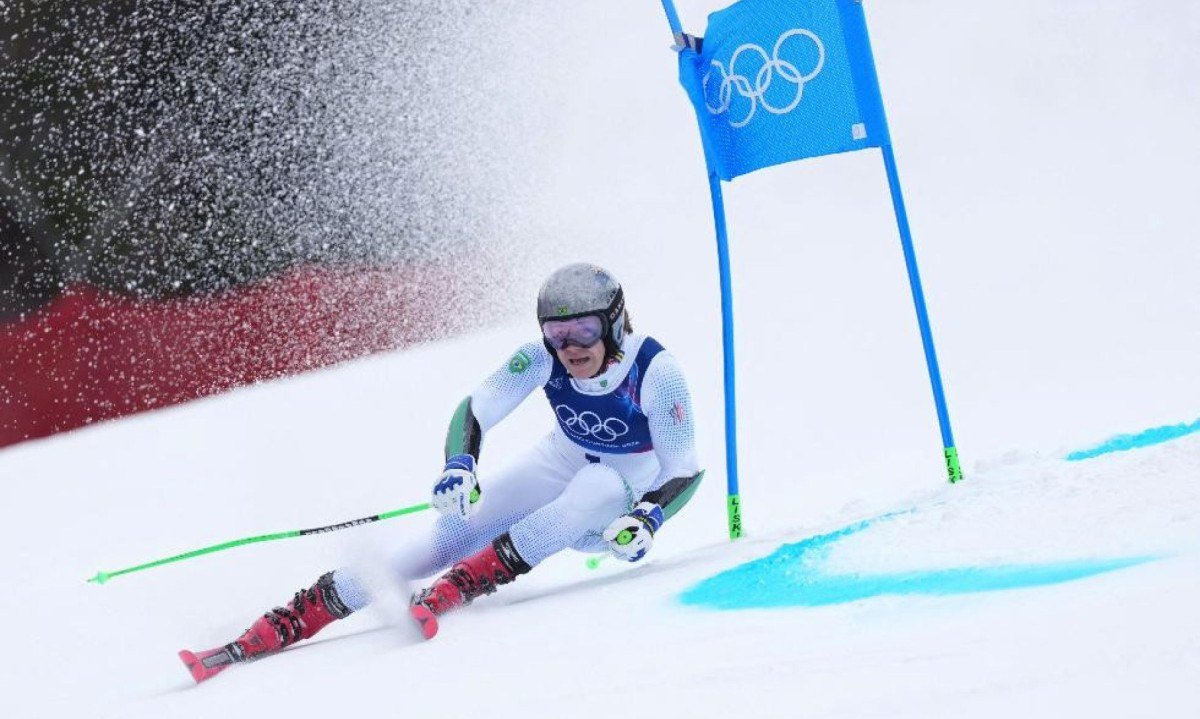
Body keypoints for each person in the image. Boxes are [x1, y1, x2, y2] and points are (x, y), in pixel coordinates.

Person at [179, 262, 702, 682]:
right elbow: (475, 409)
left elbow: (684, 469)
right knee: (442, 540)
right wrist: (460, 466)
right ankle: (289, 620)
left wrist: (649, 519)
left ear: (613, 322)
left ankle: (460, 587)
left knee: (594, 487)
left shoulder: (657, 372)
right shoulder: (540, 357)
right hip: (559, 461)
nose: (570, 348)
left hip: (618, 500)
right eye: (556, 333)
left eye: (584, 331)